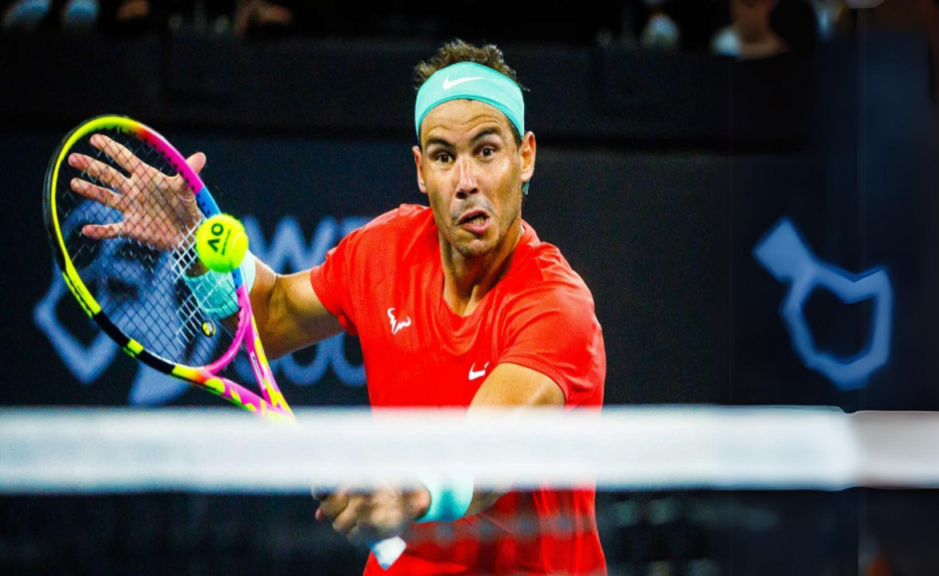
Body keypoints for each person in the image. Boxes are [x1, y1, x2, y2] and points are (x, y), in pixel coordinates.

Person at [71, 39, 607, 574]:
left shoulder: (556, 306)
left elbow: (488, 453)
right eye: (444, 156)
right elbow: (274, 315)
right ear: (422, 171)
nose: (466, 182)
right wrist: (191, 244)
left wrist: (413, 492)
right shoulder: (383, 251)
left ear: (525, 156)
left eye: (486, 151)